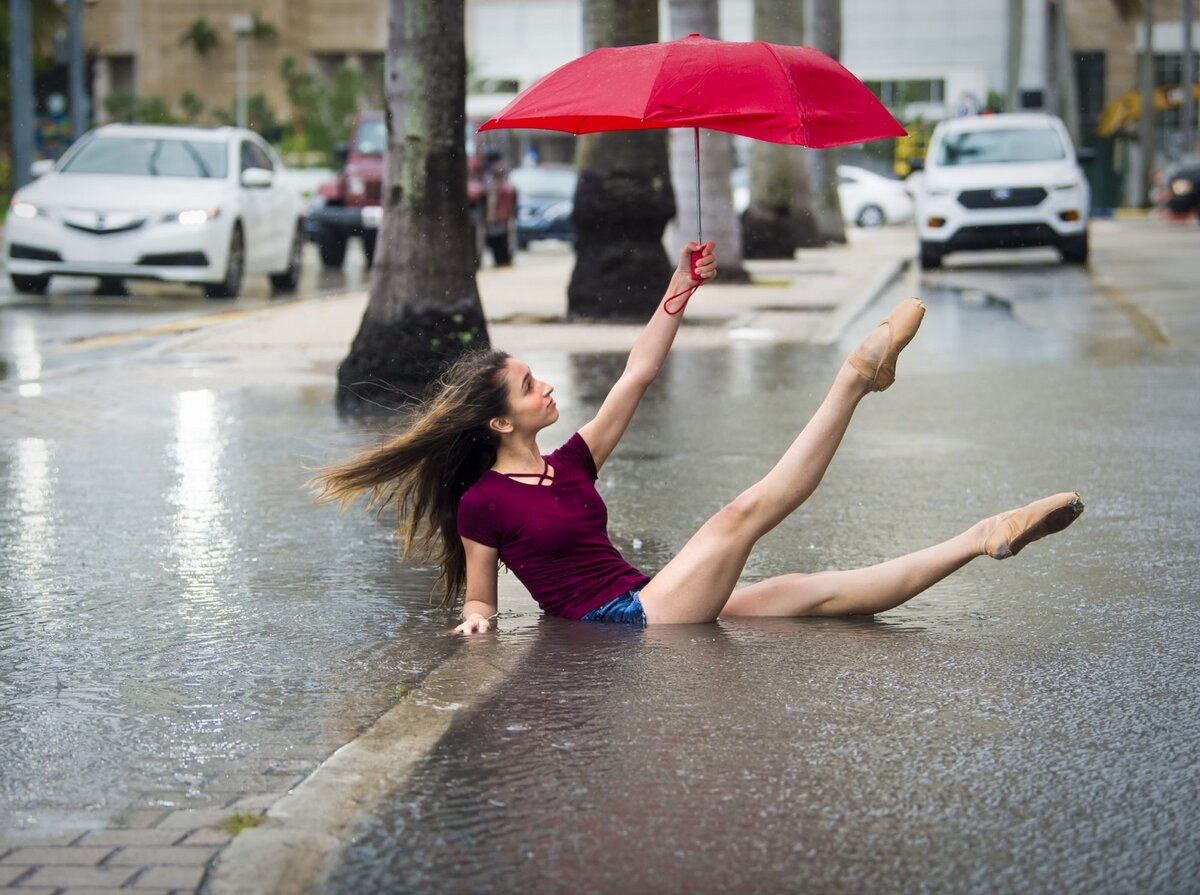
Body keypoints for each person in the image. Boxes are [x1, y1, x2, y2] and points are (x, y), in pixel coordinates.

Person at [313, 242, 1083, 633]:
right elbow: (481, 594)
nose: (546, 387)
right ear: (498, 421)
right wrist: (478, 620)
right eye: (528, 386)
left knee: (820, 594)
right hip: (622, 627)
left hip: (652, 596)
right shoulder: (483, 503)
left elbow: (637, 374)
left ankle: (982, 537)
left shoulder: (571, 462)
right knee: (737, 517)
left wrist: (683, 283)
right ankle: (855, 378)